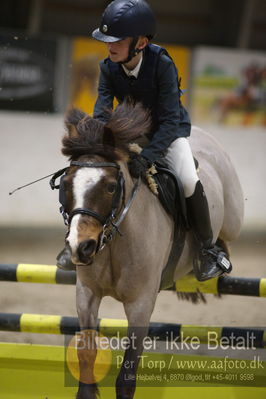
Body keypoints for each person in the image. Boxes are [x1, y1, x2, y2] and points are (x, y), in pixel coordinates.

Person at [57, 0, 232, 281]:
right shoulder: (108, 67)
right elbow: (102, 111)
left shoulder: (162, 65)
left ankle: (207, 250)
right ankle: (74, 240)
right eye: (107, 40)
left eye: (117, 40)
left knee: (187, 178)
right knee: (88, 174)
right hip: (129, 134)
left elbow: (171, 120)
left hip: (168, 133)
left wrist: (148, 157)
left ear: (140, 42)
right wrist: (97, 146)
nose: (109, 46)